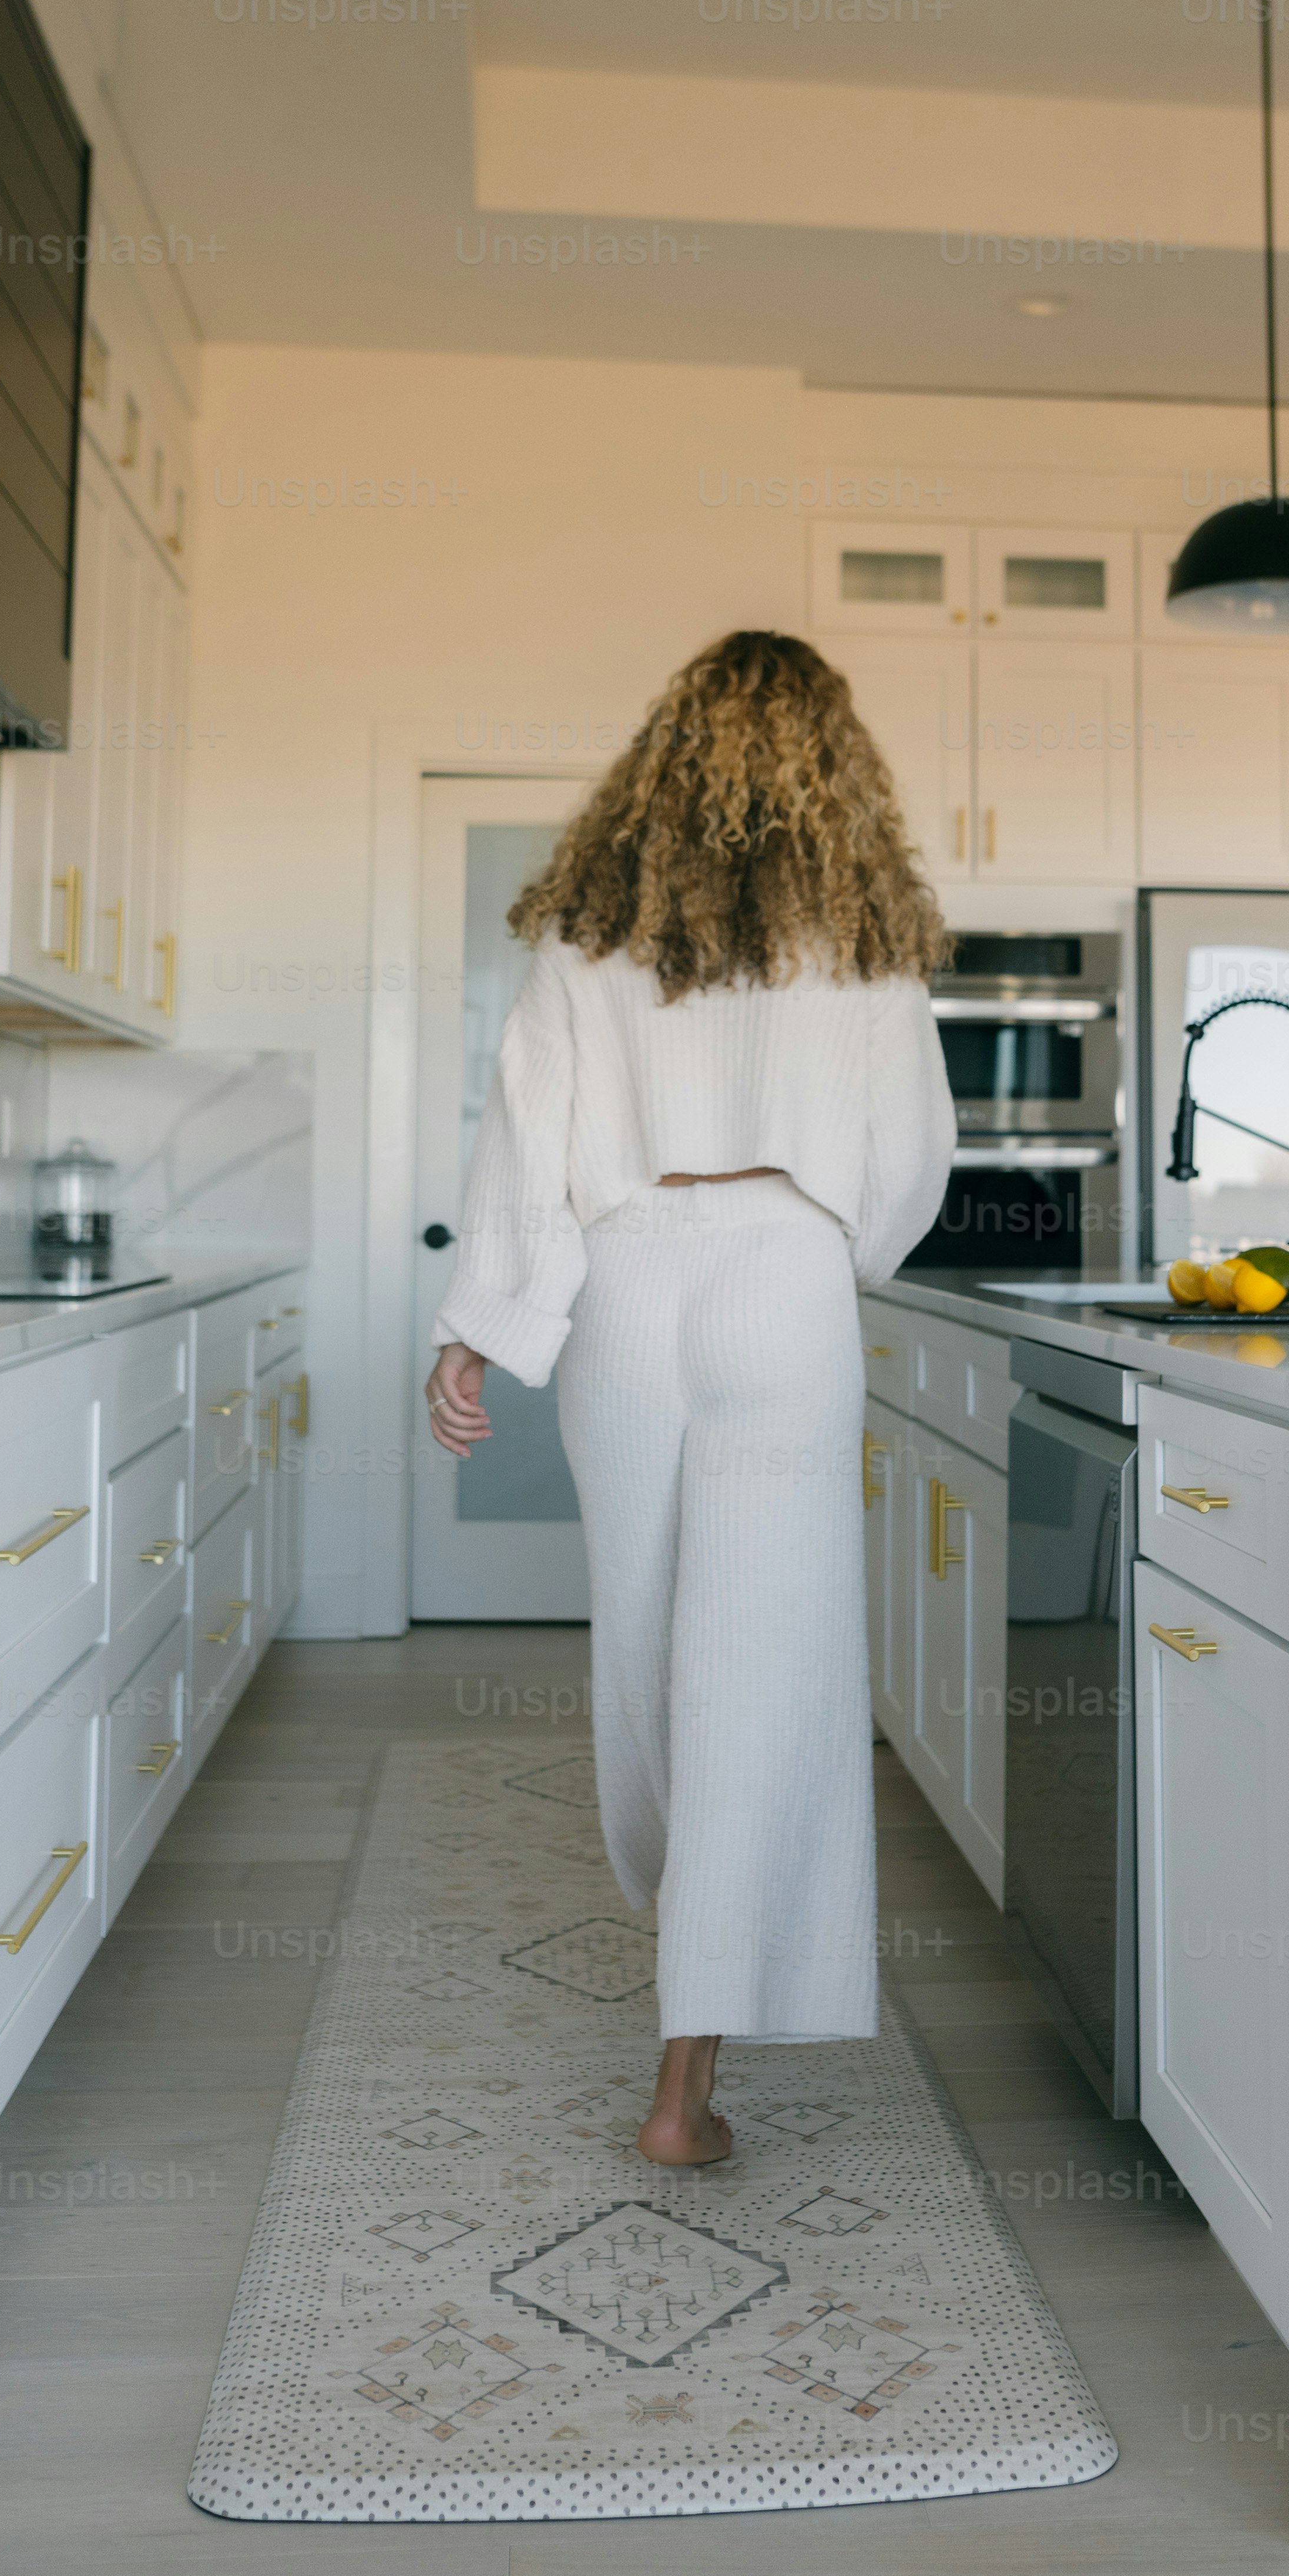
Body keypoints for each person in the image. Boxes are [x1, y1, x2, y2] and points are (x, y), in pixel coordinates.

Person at [422, 630, 955, 2167]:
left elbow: (528, 1126)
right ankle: (686, 2081)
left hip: (629, 1280)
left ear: (669, 750)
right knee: (767, 1674)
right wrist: (839, 1242)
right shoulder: (863, 922)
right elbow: (912, 1152)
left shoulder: (591, 926)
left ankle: (683, 2006)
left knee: (653, 1654)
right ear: (832, 759)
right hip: (782, 1278)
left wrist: (479, 1327)